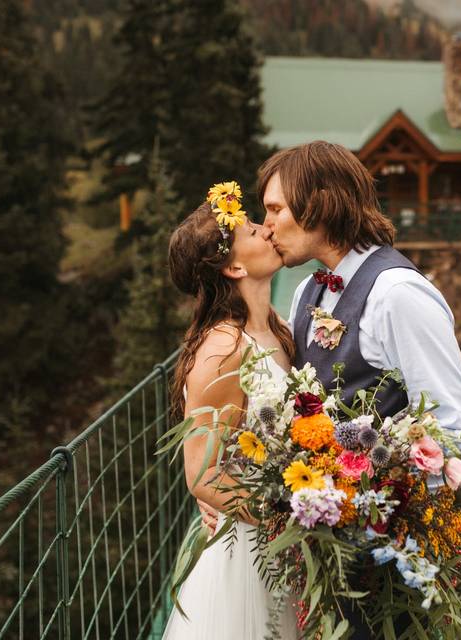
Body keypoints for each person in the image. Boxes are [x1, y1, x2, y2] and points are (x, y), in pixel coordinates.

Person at [259, 141, 461, 638]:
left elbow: (460, 429)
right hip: (328, 553)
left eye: (276, 208)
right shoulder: (304, 291)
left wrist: (370, 497)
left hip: (390, 564)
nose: (267, 224)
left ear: (319, 202)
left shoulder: (398, 295)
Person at [162, 184, 298, 640]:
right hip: (253, 550)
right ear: (235, 266)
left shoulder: (279, 330)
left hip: (287, 541)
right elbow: (201, 473)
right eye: (253, 229)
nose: (267, 228)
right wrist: (293, 520)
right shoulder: (222, 349)